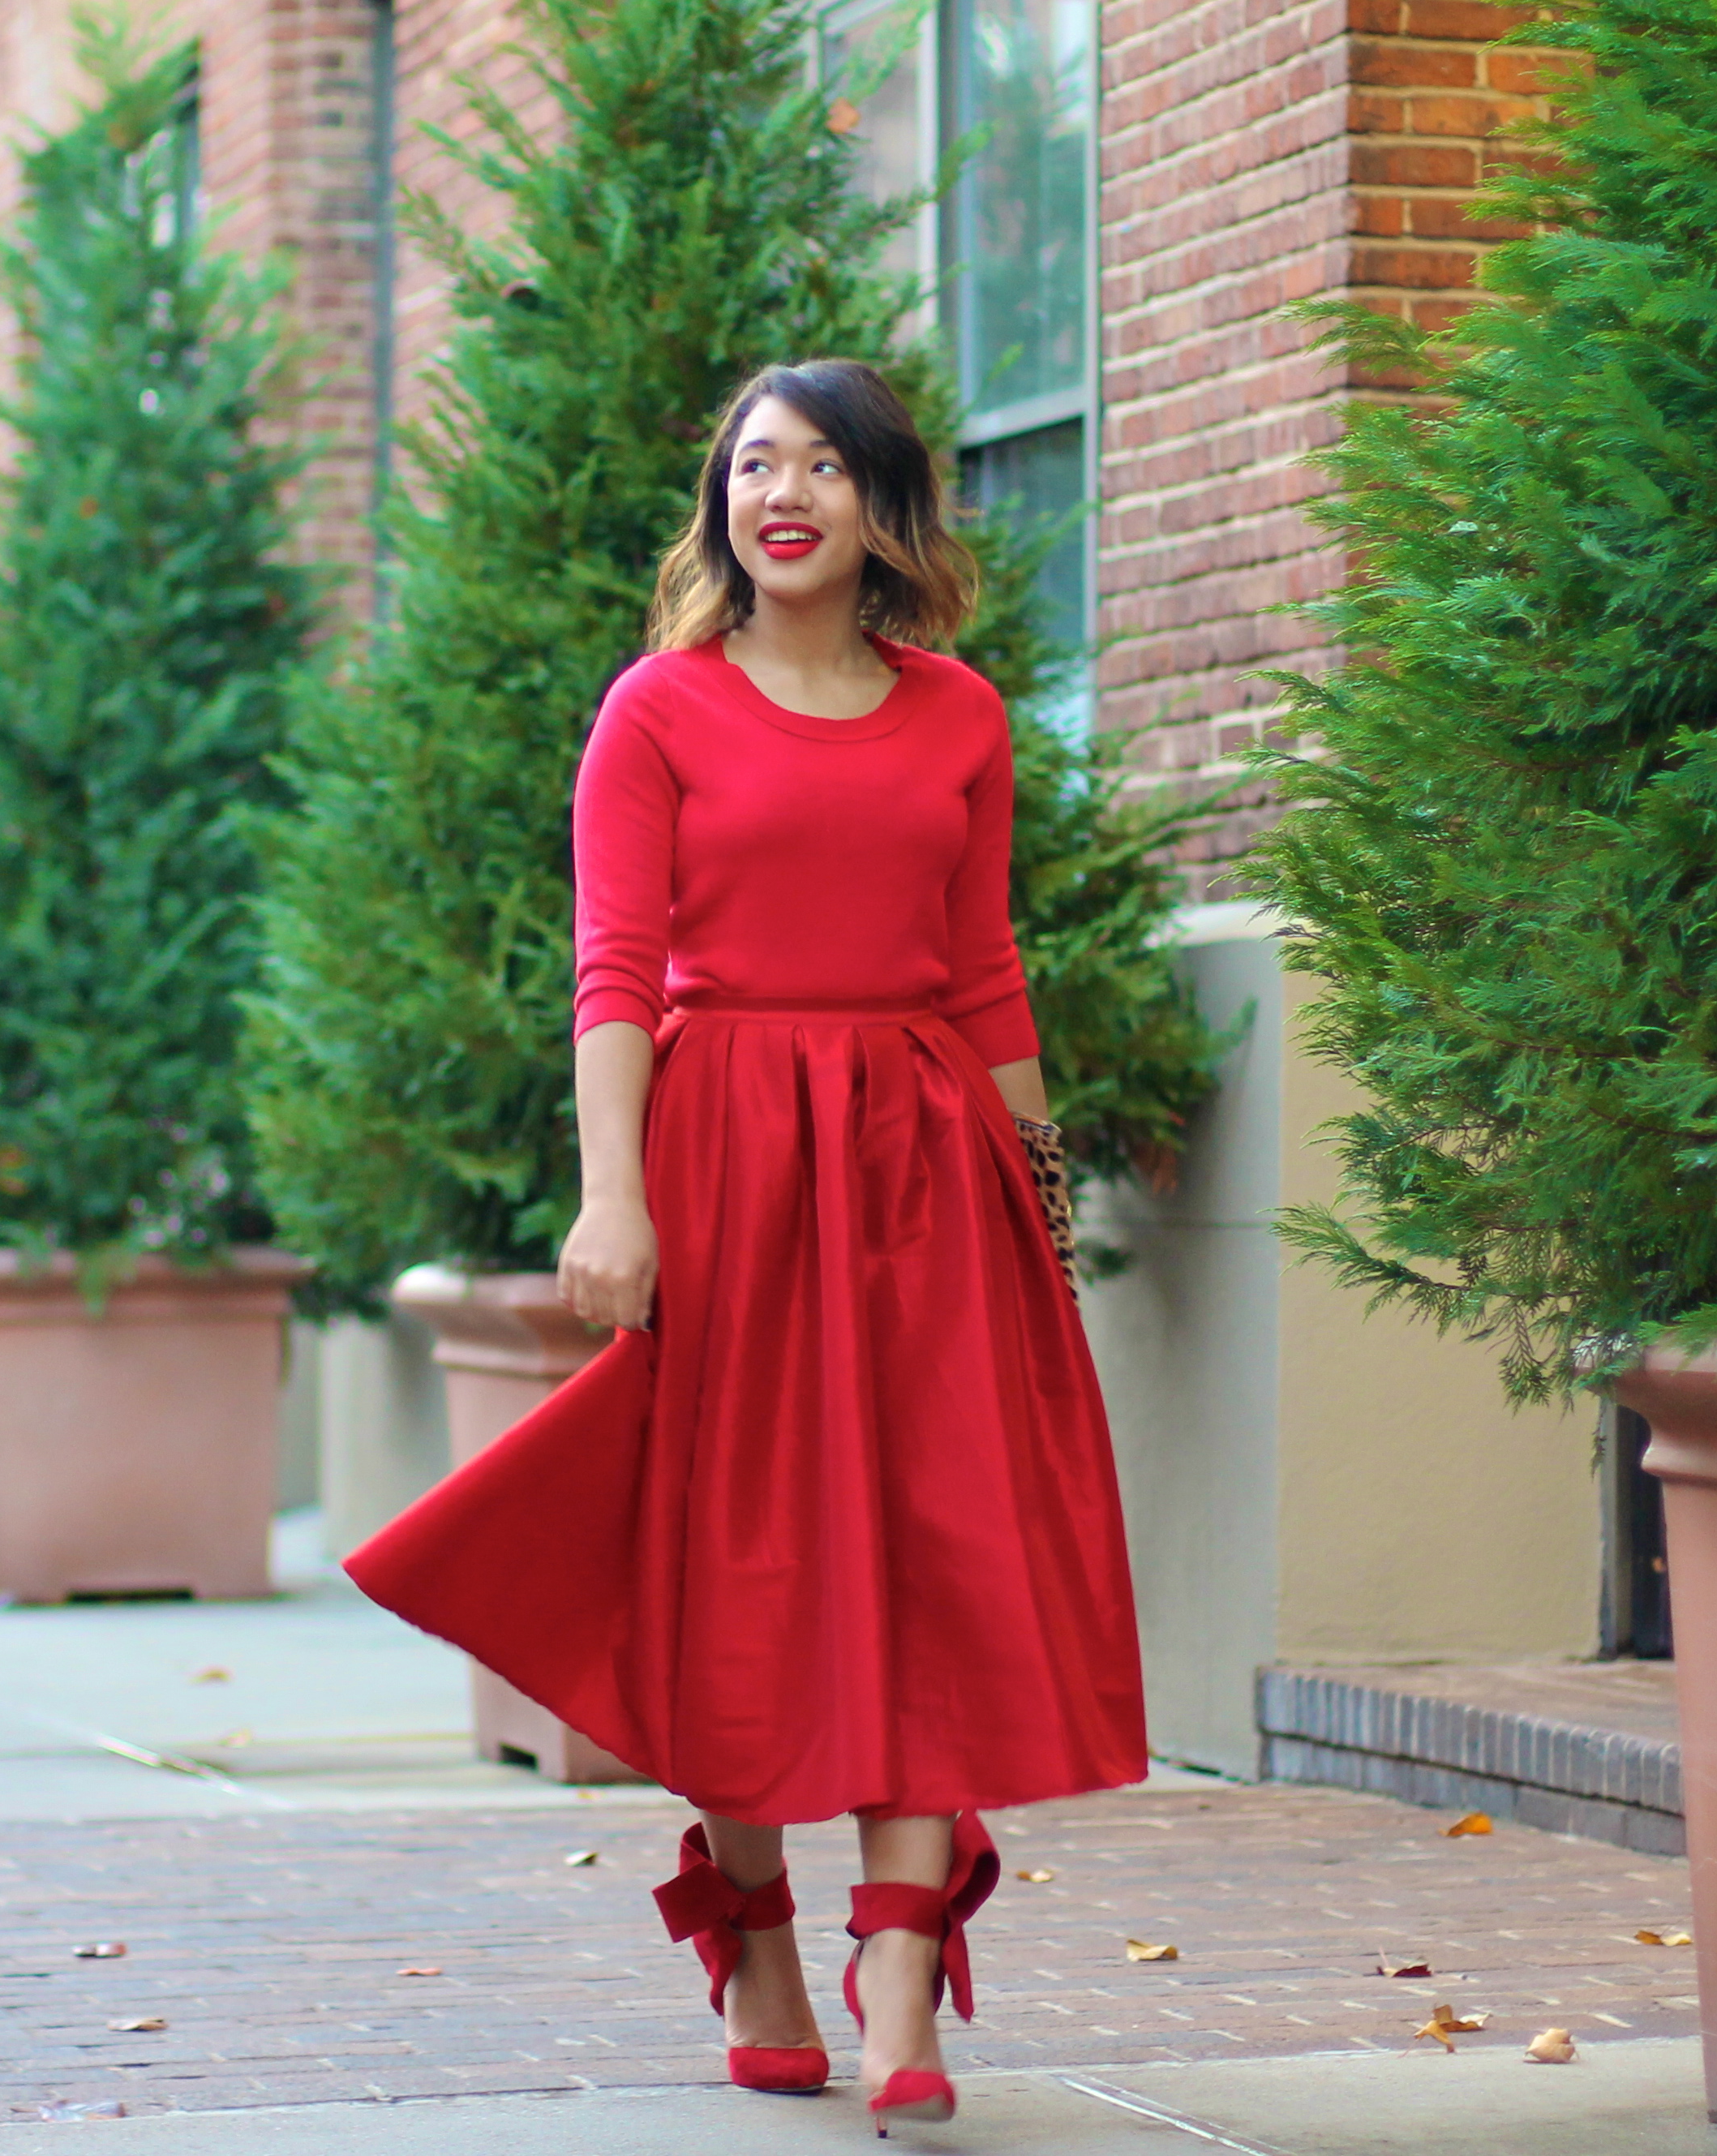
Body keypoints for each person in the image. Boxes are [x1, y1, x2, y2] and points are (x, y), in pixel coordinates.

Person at [346, 358, 1148, 2136]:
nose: (780, 492)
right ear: (722, 505)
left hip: (925, 1167)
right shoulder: (657, 711)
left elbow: (986, 965)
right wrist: (611, 1195)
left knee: (932, 1554)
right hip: (730, 1163)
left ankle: (901, 1980)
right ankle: (762, 1942)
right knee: (748, 1562)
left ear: (881, 505)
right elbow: (615, 973)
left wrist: (1038, 1183)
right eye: (750, 464)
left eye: (820, 466)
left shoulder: (961, 716)